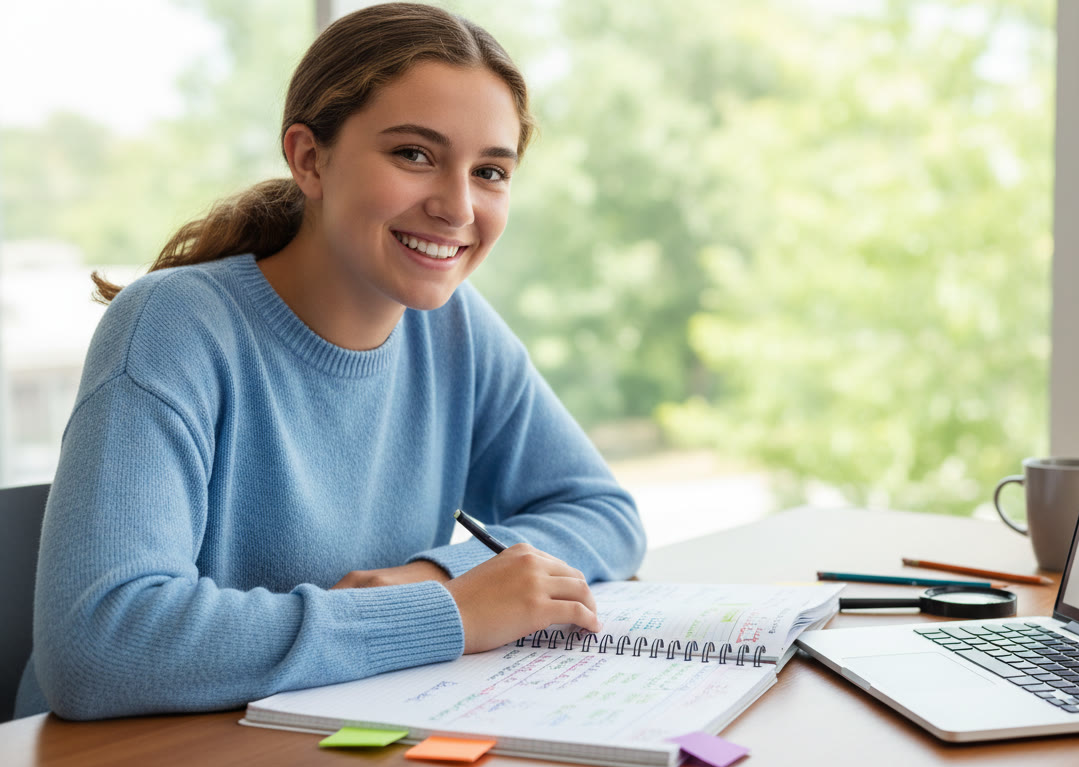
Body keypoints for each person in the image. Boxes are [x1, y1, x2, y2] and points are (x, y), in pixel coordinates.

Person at [14, 2, 645, 721]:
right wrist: (444, 614)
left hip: (325, 730)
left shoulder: (455, 329)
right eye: (414, 155)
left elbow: (604, 514)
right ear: (310, 159)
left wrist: (429, 577)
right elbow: (100, 646)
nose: (458, 206)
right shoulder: (174, 325)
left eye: (492, 171)